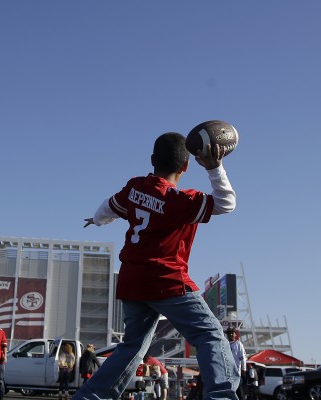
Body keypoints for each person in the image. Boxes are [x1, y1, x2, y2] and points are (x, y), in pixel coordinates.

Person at [76, 132, 237, 400]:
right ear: (186, 166)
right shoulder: (181, 201)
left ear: (152, 160)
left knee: (132, 348)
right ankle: (221, 396)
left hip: (132, 281)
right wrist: (214, 167)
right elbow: (226, 204)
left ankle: (90, 397)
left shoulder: (135, 187)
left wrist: (96, 220)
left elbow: (109, 207)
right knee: (210, 335)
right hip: (167, 281)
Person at [226, 327, 247, 400]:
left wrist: (243, 369)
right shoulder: (225, 344)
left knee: (239, 393)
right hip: (227, 373)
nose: (231, 334)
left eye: (232, 333)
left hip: (236, 373)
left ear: (235, 334)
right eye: (229, 333)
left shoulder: (238, 344)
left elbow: (243, 358)